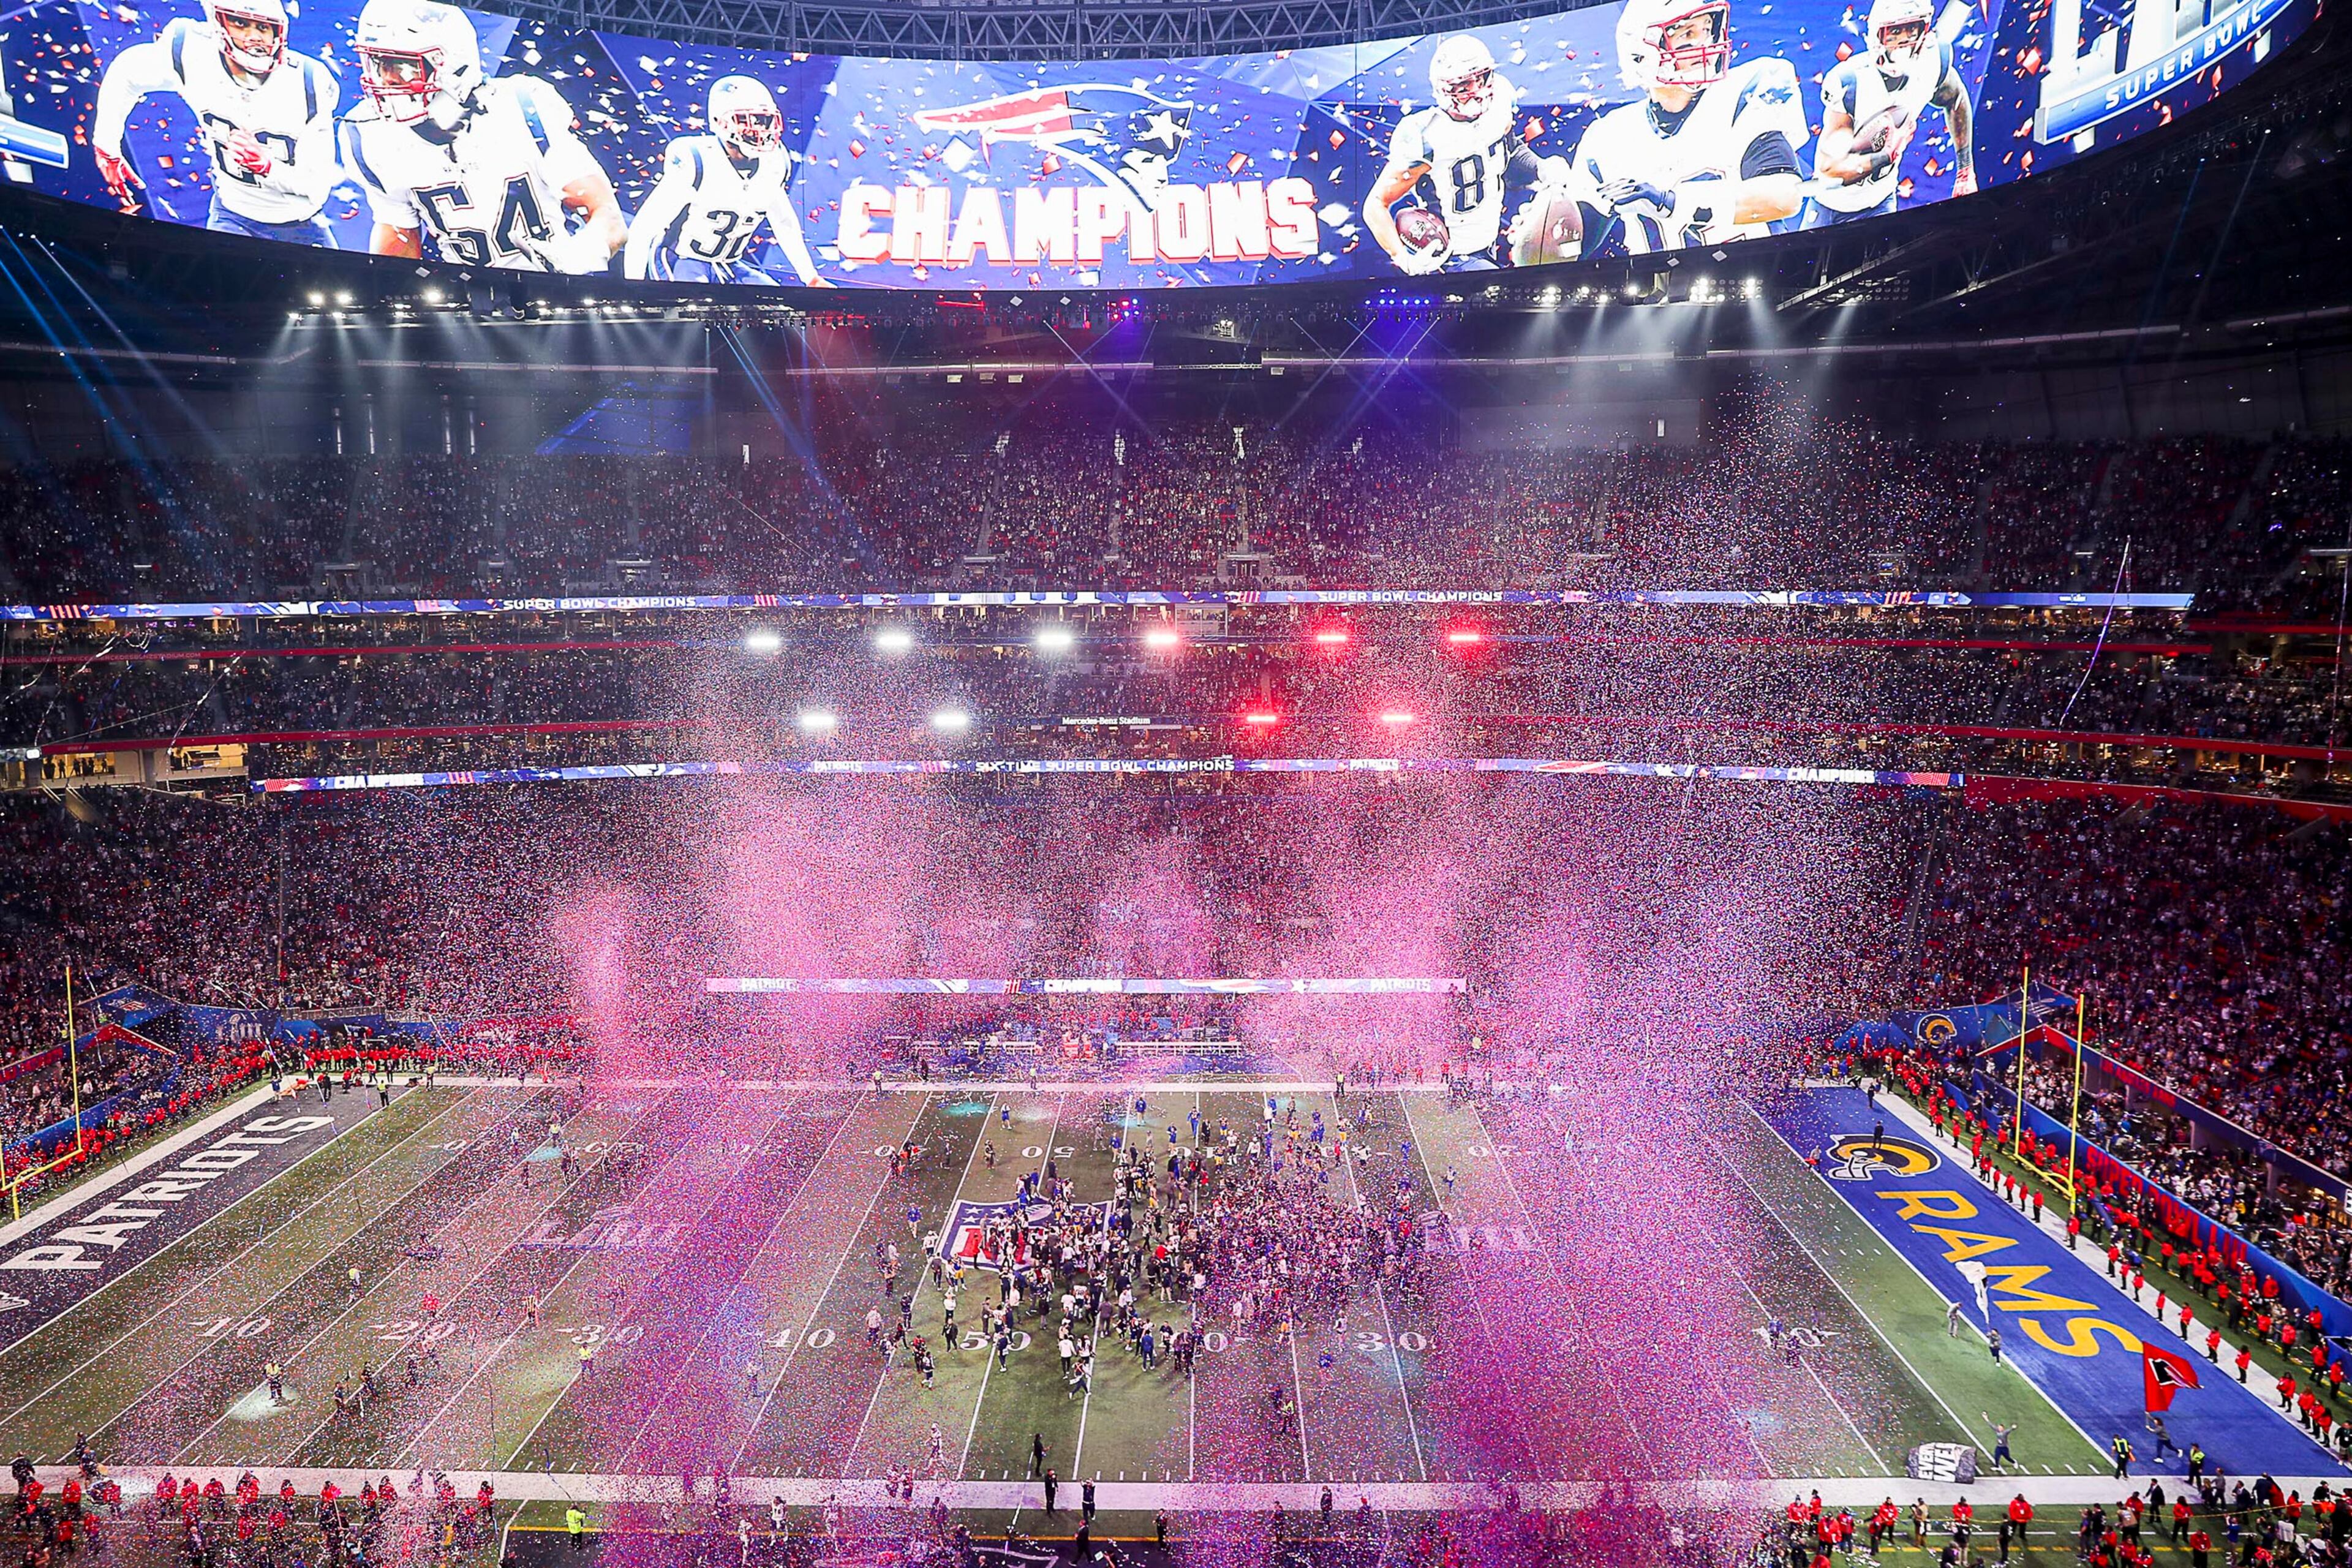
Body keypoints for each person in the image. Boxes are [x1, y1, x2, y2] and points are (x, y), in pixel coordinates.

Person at [340, 0, 622, 272]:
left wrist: (577, 259)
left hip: (553, 291)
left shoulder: (525, 106)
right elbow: (398, 235)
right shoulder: (368, 133)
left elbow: (606, 214)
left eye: (402, 66)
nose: (386, 79)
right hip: (464, 302)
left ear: (452, 65)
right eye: (378, 64)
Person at [89, 0, 341, 242]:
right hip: (233, 216)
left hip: (302, 225)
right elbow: (126, 73)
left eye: (263, 27)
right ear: (218, 24)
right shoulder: (193, 52)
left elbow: (316, 187)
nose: (254, 36)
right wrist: (107, 145)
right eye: (240, 23)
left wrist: (267, 167)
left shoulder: (309, 81)